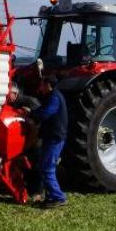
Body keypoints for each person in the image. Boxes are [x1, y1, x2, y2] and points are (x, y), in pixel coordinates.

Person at [27, 75, 69, 208]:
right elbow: (42, 110)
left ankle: (58, 197)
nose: (40, 87)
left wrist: (33, 116)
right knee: (45, 167)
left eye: (42, 84)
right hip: (51, 137)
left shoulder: (54, 97)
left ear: (48, 85)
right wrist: (31, 112)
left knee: (47, 168)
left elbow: (46, 113)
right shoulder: (51, 97)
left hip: (54, 138)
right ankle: (51, 197)